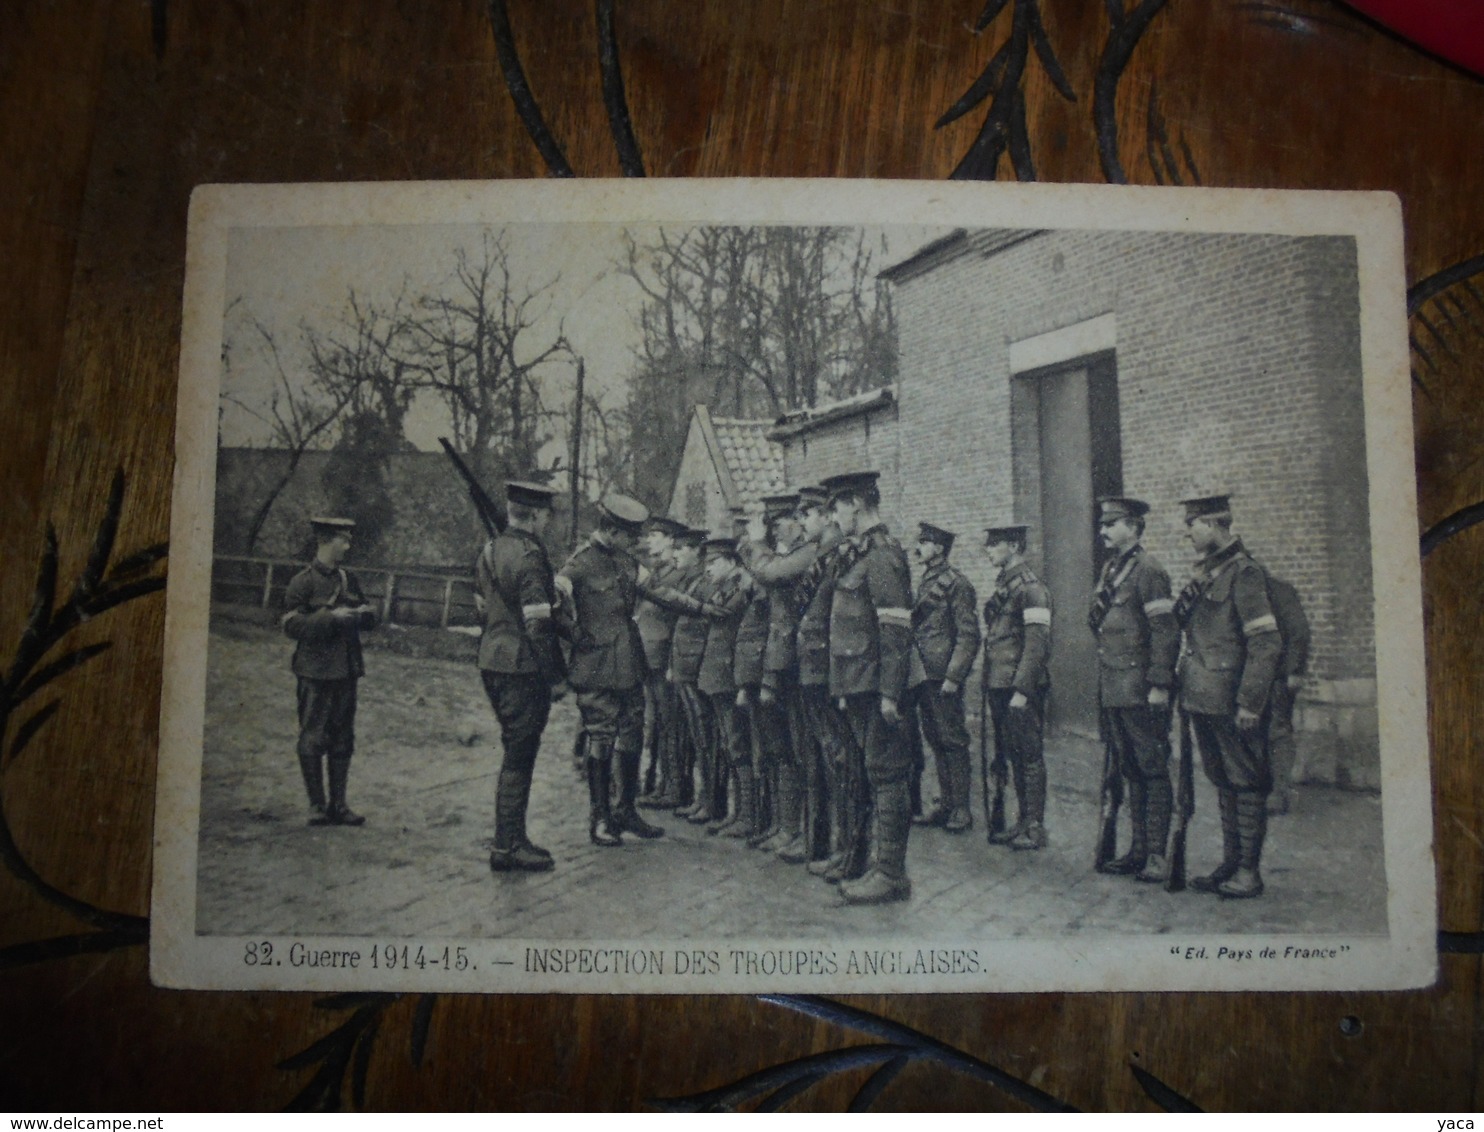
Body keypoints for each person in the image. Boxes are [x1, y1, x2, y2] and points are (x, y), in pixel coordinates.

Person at [1173, 494, 1282, 898]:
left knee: (1246, 781)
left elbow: (1266, 642)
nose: (1187, 532)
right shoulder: (1210, 573)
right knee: (1222, 780)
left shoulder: (1245, 574)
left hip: (1233, 701)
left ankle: (1249, 873)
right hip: (1205, 697)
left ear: (1215, 525)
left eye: (1193, 524)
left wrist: (1250, 702)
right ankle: (1231, 863)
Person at [823, 470, 916, 906]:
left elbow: (895, 631)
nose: (833, 515)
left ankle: (891, 874)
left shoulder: (881, 555)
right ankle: (870, 865)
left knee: (887, 774)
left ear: (856, 503)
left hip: (879, 686)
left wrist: (890, 694)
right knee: (873, 772)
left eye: (836, 506)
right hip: (859, 683)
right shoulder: (857, 554)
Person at [556, 494, 665, 847]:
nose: (635, 543)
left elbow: (660, 594)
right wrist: (577, 636)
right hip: (596, 667)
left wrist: (705, 608)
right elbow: (550, 606)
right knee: (600, 739)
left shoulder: (626, 562)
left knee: (632, 732)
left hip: (629, 665)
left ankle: (625, 810)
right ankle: (600, 818)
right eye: (630, 536)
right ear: (612, 530)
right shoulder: (579, 565)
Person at [475, 479, 566, 873]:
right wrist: (556, 678)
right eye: (547, 514)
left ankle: (510, 838)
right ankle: (508, 844)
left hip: (492, 660)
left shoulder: (490, 549)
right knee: (520, 753)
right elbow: (538, 626)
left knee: (515, 749)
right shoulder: (530, 556)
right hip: (522, 667)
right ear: (535, 515)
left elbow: (482, 604)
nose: (548, 521)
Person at [1089, 497, 1179, 882]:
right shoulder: (1112, 570)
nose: (1103, 531)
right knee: (1129, 770)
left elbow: (1165, 631)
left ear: (1132, 526)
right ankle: (1138, 849)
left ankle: (1158, 855)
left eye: (1111, 524)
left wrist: (1159, 683)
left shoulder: (1149, 571)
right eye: (1103, 524)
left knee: (1152, 769)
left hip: (1141, 688)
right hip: (1115, 686)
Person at [281, 517, 378, 826]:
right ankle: (317, 806)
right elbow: (291, 625)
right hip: (315, 671)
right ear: (326, 540)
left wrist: (364, 615)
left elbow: (369, 616)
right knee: (312, 737)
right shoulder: (303, 582)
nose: (348, 546)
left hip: (346, 671)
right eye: (343, 540)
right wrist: (331, 618)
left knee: (343, 739)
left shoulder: (349, 580)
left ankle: (339, 804)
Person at [739, 493, 810, 858]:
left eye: (780, 522)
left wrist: (754, 543)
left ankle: (801, 832)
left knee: (800, 751)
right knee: (782, 750)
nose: (777, 530)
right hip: (781, 665)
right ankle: (786, 827)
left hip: (796, 667)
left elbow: (771, 585)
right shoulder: (784, 555)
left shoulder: (803, 555)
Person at [981, 523, 1053, 851]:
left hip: (1018, 687)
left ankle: (1035, 826)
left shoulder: (1031, 588)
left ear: (1012, 545)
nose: (988, 550)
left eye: (994, 545)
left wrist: (1022, 689)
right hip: (1001, 684)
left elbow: (1037, 644)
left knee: (1030, 755)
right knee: (1013, 753)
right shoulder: (1007, 586)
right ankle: (1022, 821)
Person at [907, 522, 981, 834]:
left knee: (952, 739)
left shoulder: (957, 584)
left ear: (939, 548)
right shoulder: (927, 580)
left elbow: (968, 635)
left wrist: (954, 675)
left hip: (942, 676)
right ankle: (947, 804)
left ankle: (962, 809)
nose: (918, 547)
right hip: (926, 673)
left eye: (924, 542)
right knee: (936, 739)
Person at [634, 516, 687, 809]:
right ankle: (659, 785)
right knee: (655, 724)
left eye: (656, 535)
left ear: (670, 540)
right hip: (649, 659)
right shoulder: (655, 573)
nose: (650, 540)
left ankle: (674, 788)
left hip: (665, 659)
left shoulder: (676, 576)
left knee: (670, 725)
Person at [1264, 573, 1310, 816]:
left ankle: (1279, 792)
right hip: (1247, 678)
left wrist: (1294, 670)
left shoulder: (1279, 590)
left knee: (1277, 731)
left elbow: (1298, 631)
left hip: (1276, 676)